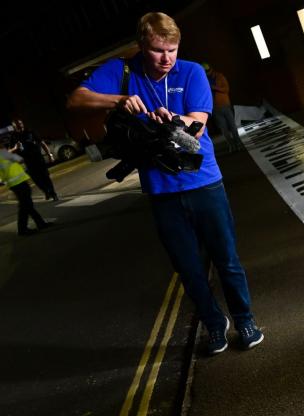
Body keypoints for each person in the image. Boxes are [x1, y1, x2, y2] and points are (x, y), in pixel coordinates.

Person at [66, 12, 263, 355]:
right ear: (142, 46)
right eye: (158, 50)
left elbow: (198, 126)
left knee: (226, 260)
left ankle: (245, 318)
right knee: (188, 269)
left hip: (204, 185)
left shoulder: (191, 72)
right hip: (162, 193)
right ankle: (215, 324)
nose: (167, 58)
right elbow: (75, 100)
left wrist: (174, 120)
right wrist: (118, 99)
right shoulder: (122, 71)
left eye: (172, 49)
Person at [0, 149, 53, 236]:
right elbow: (20, 159)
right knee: (25, 206)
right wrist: (15, 150)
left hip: (12, 183)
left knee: (27, 204)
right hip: (19, 181)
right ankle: (22, 229)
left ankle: (40, 223)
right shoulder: (3, 153)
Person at [9, 119, 60, 203]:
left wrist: (50, 155)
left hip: (38, 158)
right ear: (14, 126)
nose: (20, 125)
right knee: (36, 179)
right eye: (17, 124)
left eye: (21, 123)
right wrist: (15, 148)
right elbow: (10, 151)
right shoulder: (13, 136)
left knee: (46, 177)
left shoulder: (30, 131)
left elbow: (42, 143)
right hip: (28, 161)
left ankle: (54, 194)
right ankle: (46, 191)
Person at [203, 63, 243, 153]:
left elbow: (226, 89)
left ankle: (238, 143)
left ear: (211, 69)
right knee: (223, 128)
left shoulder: (220, 77)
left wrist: (214, 87)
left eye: (208, 71)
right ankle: (231, 145)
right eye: (205, 72)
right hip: (214, 108)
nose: (207, 73)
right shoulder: (203, 80)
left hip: (225, 105)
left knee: (232, 126)